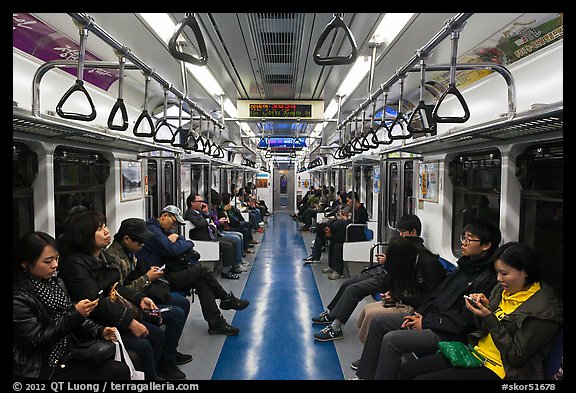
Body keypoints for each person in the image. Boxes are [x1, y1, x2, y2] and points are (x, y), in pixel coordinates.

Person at [355, 218, 502, 380]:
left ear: (486, 245)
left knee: (392, 340)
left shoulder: (487, 280)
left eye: (469, 239)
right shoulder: (465, 268)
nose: (463, 243)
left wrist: (425, 322)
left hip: (447, 332)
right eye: (463, 237)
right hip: (431, 318)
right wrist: (420, 313)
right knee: (379, 323)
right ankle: (365, 376)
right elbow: (436, 296)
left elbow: (464, 322)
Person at [399, 242, 563, 380]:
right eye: (497, 272)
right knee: (407, 370)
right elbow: (482, 329)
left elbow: (516, 355)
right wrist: (484, 309)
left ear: (525, 272)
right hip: (476, 354)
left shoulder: (544, 311)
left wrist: (489, 316)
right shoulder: (502, 290)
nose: (498, 279)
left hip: (501, 370)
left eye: (504, 273)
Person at [58, 211, 164, 380]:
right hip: (96, 323)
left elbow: (115, 286)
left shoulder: (102, 254)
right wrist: (130, 322)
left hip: (113, 314)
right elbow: (95, 302)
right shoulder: (75, 264)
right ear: (85, 235)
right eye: (100, 228)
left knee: (157, 335)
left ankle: (153, 374)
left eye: (105, 226)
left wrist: (139, 298)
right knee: (143, 345)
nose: (107, 231)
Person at [13, 232, 131, 380]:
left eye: (56, 259)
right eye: (47, 261)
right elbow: (37, 341)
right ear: (25, 263)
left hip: (66, 352)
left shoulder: (56, 283)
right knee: (116, 370)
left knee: (128, 358)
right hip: (41, 365)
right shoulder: (19, 298)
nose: (55, 265)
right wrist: (75, 314)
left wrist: (99, 331)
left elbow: (72, 317)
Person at [312, 227, 446, 343]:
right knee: (347, 283)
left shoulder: (418, 253)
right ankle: (331, 314)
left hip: (388, 277)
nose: (400, 235)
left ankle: (335, 326)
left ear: (413, 231)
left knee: (353, 290)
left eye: (403, 232)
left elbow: (404, 273)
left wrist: (398, 295)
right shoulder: (407, 247)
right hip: (385, 272)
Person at [136, 205, 249, 336]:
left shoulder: (161, 229)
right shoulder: (153, 231)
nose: (174, 227)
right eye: (173, 222)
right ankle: (225, 299)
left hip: (165, 273)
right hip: (158, 279)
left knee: (202, 283)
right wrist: (189, 243)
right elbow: (172, 250)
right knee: (202, 270)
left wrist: (181, 240)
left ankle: (216, 322)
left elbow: (180, 240)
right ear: (164, 216)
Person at [106, 218, 192, 380]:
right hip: (129, 304)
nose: (143, 245)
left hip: (142, 294)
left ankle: (170, 352)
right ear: (127, 239)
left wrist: (148, 274)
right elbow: (118, 293)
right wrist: (147, 278)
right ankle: (166, 363)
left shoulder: (130, 252)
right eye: (140, 242)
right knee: (176, 314)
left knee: (182, 302)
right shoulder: (114, 259)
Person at [355, 214, 446, 345]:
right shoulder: (410, 259)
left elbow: (432, 297)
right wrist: (394, 295)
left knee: (372, 316)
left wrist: (399, 297)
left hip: (417, 307)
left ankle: (371, 350)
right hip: (407, 299)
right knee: (368, 309)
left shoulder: (427, 263)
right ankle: (370, 349)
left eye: (402, 233)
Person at [184, 193, 243, 279]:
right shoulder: (190, 214)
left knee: (231, 242)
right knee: (228, 246)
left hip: (210, 236)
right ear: (192, 203)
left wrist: (206, 213)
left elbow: (208, 219)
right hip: (203, 240)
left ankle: (232, 267)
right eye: (199, 201)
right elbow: (200, 223)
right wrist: (208, 221)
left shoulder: (198, 212)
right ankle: (225, 272)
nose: (201, 203)